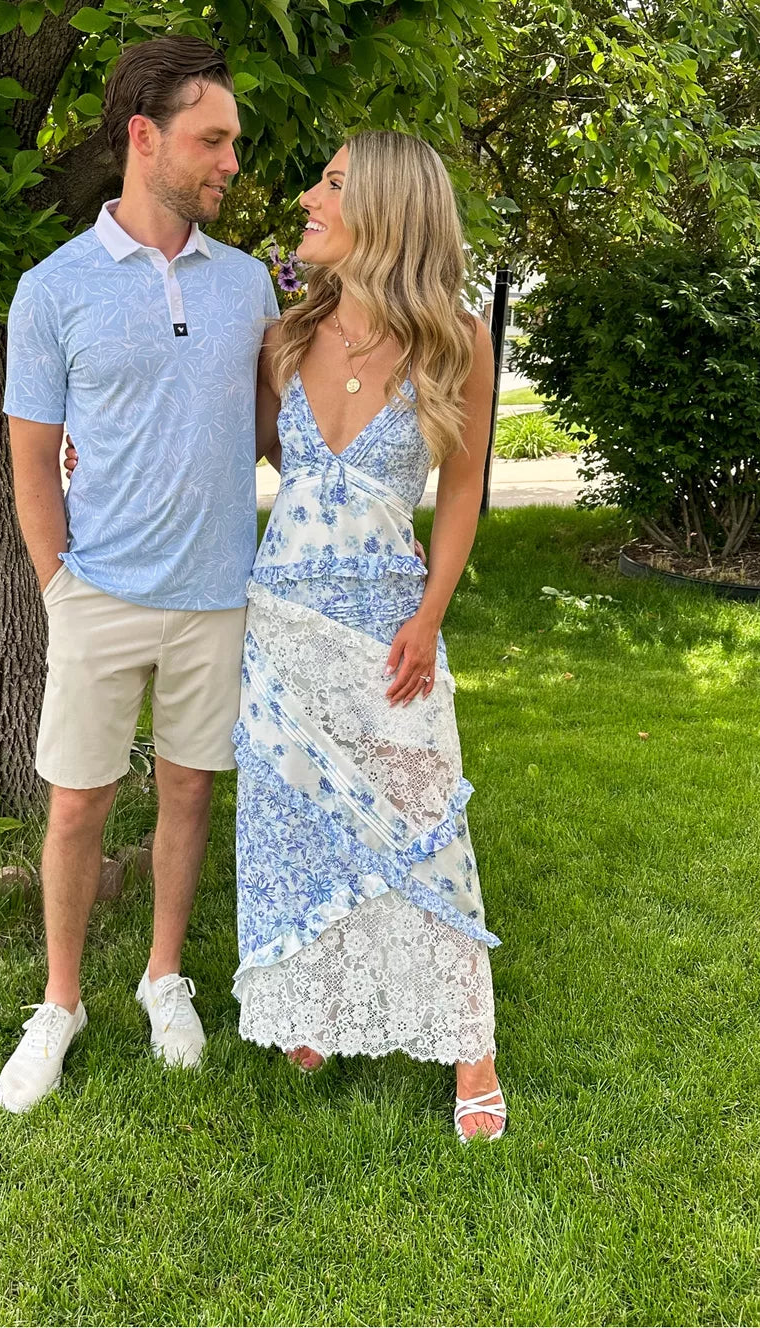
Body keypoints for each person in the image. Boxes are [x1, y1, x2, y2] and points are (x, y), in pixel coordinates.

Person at [0, 36, 279, 1114]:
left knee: (189, 788)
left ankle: (164, 975)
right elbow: (31, 459)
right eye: (213, 139)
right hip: (99, 594)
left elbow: (271, 435)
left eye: (233, 142)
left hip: (217, 594)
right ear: (143, 137)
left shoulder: (247, 285)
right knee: (77, 804)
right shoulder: (51, 290)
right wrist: (56, 585)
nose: (231, 163)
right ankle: (60, 1002)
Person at [234, 131, 507, 1142]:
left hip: (391, 622)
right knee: (298, 816)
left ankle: (469, 1042)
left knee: (421, 813)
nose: (308, 197)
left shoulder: (457, 342)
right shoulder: (282, 338)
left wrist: (429, 614)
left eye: (332, 183)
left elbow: (462, 489)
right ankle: (315, 1001)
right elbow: (241, 451)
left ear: (387, 206)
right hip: (282, 618)